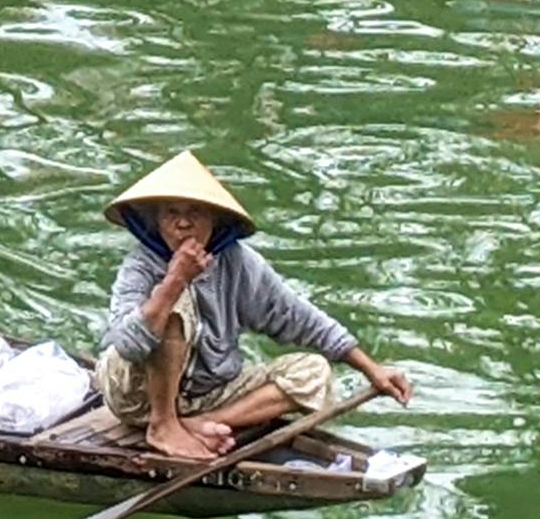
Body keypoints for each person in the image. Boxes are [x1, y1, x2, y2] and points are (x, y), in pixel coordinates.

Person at [95, 150, 411, 462]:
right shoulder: (140, 265)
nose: (183, 224)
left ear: (214, 219)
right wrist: (175, 280)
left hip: (207, 396)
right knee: (174, 303)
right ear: (157, 222)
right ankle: (163, 425)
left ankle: (199, 425)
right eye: (171, 214)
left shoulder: (239, 263)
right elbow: (128, 346)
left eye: (195, 213)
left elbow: (299, 317)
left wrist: (372, 369)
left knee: (314, 372)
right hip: (138, 396)